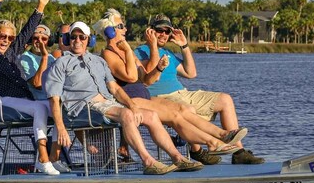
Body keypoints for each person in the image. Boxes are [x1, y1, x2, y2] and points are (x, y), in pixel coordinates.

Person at [44, 21, 203, 175]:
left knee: (151, 115)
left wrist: (132, 105)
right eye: (73, 37)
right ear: (67, 39)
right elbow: (54, 98)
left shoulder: (99, 61)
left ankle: (178, 158)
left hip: (106, 104)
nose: (77, 41)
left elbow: (114, 88)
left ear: (89, 40)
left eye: (82, 37)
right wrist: (61, 127)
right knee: (126, 115)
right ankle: (148, 161)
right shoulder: (61, 63)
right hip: (81, 108)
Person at [92, 9, 242, 165]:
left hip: (144, 96)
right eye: (121, 26)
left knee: (182, 111)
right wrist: (129, 51)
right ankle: (211, 143)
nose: (125, 29)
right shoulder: (110, 54)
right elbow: (131, 76)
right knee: (176, 116)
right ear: (109, 30)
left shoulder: (125, 51)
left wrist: (158, 69)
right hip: (130, 99)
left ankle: (221, 135)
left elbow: (146, 79)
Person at [136, 14, 264, 165]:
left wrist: (184, 46)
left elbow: (191, 73)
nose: (163, 34)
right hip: (162, 97)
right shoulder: (140, 51)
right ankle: (197, 150)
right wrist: (152, 46)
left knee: (225, 99)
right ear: (150, 31)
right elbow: (149, 76)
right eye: (159, 30)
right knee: (188, 109)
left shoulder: (168, 53)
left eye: (167, 31)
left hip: (182, 93)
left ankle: (238, 151)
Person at [0, 0, 66, 175]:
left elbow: (27, 32)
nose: (6, 39)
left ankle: (54, 157)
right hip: (0, 100)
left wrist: (40, 7)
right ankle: (43, 160)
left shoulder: (12, 52)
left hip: (23, 99)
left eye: (10, 37)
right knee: (40, 110)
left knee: (60, 108)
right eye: (2, 35)